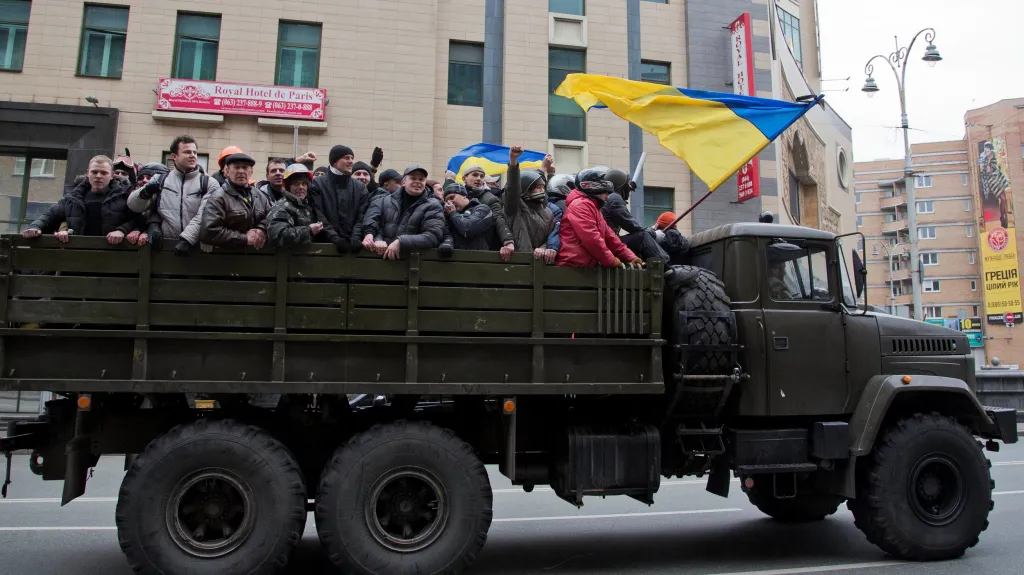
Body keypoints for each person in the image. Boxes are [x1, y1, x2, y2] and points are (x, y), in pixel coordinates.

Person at [128, 135, 220, 255]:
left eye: (195, 152)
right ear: (174, 156)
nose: (193, 155)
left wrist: (187, 239)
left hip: (197, 250)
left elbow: (204, 215)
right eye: (187, 152)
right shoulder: (160, 180)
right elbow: (134, 206)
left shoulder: (209, 183)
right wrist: (145, 193)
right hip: (165, 249)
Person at [21, 155, 138, 244]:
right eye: (94, 172)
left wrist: (122, 230)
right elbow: (49, 216)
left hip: (113, 261)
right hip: (76, 259)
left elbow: (138, 220)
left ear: (112, 175)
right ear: (88, 173)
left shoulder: (125, 197)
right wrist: (35, 227)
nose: (98, 176)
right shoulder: (73, 198)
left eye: (103, 173)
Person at [556, 167, 642, 268]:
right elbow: (592, 239)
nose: (607, 197)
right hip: (574, 268)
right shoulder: (580, 206)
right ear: (594, 189)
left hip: (586, 267)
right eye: (605, 192)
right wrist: (611, 260)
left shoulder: (593, 207)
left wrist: (631, 257)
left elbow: (610, 237)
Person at [361, 165, 445, 260]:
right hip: (381, 259)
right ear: (403, 182)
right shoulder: (386, 201)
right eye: (413, 178)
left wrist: (401, 242)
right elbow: (378, 224)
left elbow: (433, 236)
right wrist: (378, 239)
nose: (417, 182)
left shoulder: (433, 205)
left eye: (421, 179)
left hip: (413, 262)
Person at [199, 153, 272, 248]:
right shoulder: (218, 197)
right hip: (228, 258)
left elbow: (271, 217)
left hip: (257, 257)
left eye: (245, 167)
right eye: (236, 167)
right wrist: (244, 238)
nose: (241, 171)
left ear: (251, 171)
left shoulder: (260, 196)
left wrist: (261, 229)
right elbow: (208, 232)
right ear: (227, 170)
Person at [309, 144, 371, 253]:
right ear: (335, 161)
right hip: (324, 247)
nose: (351, 161)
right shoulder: (317, 183)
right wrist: (335, 239)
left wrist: (355, 238)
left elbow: (362, 215)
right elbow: (318, 214)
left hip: (354, 247)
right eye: (346, 158)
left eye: (352, 158)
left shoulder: (360, 187)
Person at [445, 165, 515, 260]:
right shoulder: (457, 194)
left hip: (482, 248)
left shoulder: (490, 198)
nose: (479, 179)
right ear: (464, 178)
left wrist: (508, 241)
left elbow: (498, 219)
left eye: (481, 176)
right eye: (475, 175)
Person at [602, 168, 668, 262]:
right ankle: (666, 267)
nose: (628, 191)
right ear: (621, 186)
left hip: (607, 242)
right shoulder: (614, 198)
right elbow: (632, 225)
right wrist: (653, 234)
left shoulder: (608, 197)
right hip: (609, 244)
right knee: (642, 236)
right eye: (627, 188)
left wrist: (650, 230)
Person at [505, 146, 556, 262]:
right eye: (538, 187)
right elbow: (513, 188)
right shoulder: (516, 208)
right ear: (526, 189)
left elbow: (551, 237)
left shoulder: (548, 213)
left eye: (543, 187)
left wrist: (544, 248)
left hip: (540, 266)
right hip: (517, 263)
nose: (542, 191)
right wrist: (513, 161)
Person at [267, 164, 323, 248]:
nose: (301, 187)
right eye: (296, 184)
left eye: (304, 184)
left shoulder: (308, 205)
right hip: (289, 259)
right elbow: (277, 236)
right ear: (288, 186)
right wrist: (309, 231)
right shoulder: (281, 207)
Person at [442, 182, 496, 251]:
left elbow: (468, 229)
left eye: (452, 197)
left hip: (478, 258)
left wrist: (453, 213)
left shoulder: (483, 209)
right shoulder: (449, 216)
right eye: (446, 201)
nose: (449, 202)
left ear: (464, 196)